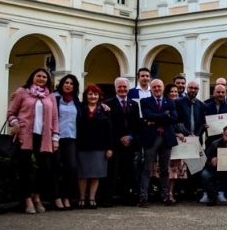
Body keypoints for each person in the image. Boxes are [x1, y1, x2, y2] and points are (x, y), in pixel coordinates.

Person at [7, 68, 59, 214]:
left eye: (44, 77)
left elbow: (55, 118)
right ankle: (27, 200)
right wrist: (15, 123)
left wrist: (56, 137)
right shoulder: (22, 92)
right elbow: (11, 113)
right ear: (32, 77)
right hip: (25, 136)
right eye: (39, 76)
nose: (41, 79)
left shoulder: (50, 96)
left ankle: (37, 197)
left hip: (44, 137)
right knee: (25, 169)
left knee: (45, 169)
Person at [137, 79, 180, 207]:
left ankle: (165, 196)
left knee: (164, 169)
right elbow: (147, 115)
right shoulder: (145, 101)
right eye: (154, 87)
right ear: (151, 88)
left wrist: (155, 118)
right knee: (147, 168)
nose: (157, 89)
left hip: (166, 138)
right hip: (151, 138)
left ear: (162, 88)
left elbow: (174, 118)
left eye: (159, 87)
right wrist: (164, 115)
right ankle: (143, 198)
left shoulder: (170, 102)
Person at [103, 77, 141, 206]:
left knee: (127, 171)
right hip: (114, 143)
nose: (122, 89)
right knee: (112, 171)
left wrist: (130, 137)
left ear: (128, 88)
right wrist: (119, 138)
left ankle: (126, 197)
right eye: (119, 86)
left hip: (129, 144)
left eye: (124, 86)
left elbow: (137, 125)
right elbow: (108, 125)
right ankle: (108, 197)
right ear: (115, 88)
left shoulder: (134, 104)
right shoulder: (108, 103)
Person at [75, 84, 113, 209]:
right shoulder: (80, 108)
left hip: (99, 147)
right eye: (90, 94)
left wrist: (109, 148)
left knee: (96, 174)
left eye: (95, 94)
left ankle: (92, 198)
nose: (93, 96)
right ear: (86, 96)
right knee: (83, 174)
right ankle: (81, 197)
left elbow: (109, 130)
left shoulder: (104, 110)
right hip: (83, 146)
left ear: (99, 96)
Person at [52, 74, 82, 210]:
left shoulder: (75, 100)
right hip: (56, 138)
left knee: (71, 168)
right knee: (56, 168)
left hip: (71, 138)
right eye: (66, 82)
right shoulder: (54, 98)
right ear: (62, 84)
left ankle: (67, 197)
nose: (68, 85)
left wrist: (103, 105)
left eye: (71, 83)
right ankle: (56, 197)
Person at [164, 84, 189, 204]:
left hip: (179, 142)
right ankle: (166, 193)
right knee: (166, 170)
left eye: (176, 91)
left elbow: (182, 123)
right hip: (166, 141)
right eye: (171, 91)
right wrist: (175, 134)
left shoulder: (179, 105)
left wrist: (188, 133)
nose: (174, 93)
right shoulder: (163, 105)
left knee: (174, 171)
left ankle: (171, 193)